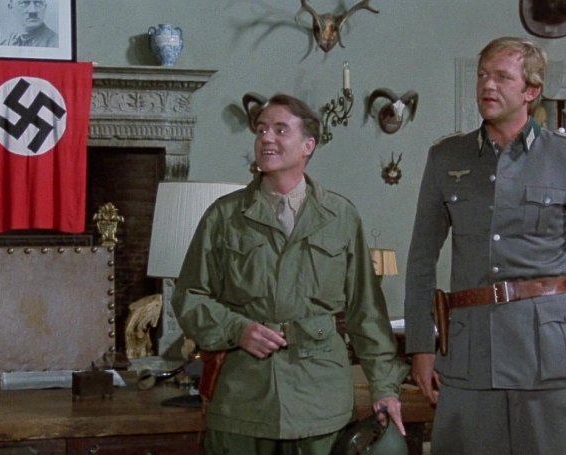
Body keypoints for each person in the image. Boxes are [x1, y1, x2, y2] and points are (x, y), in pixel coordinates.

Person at [404, 36, 566, 454]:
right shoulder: (446, 158)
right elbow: (421, 259)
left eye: (502, 77)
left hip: (548, 349)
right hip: (471, 348)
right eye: (483, 75)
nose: (488, 85)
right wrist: (421, 346)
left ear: (531, 91)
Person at [172, 93, 408, 454]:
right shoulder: (224, 217)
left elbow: (366, 312)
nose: (267, 138)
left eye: (280, 130)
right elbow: (189, 297)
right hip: (243, 400)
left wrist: (385, 388)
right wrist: (238, 329)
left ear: (308, 146)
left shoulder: (340, 216)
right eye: (261, 130)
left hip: (320, 400)